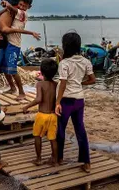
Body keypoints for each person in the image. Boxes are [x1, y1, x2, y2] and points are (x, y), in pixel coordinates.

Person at [55, 30, 96, 173]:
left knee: (60, 129)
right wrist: (80, 84)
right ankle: (86, 162)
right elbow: (92, 80)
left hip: (66, 100)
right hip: (79, 100)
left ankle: (59, 158)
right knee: (80, 130)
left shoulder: (64, 63)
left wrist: (57, 102)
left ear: (65, 46)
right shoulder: (86, 61)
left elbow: (63, 83)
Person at [0, 0, 40, 100]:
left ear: (29, 7)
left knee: (12, 70)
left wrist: (7, 4)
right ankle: (12, 88)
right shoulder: (14, 11)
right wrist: (5, 8)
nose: (21, 7)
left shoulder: (23, 14)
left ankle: (21, 92)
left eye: (24, 6)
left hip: (14, 45)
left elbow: (12, 9)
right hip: (6, 43)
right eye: (20, 4)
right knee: (4, 68)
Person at [23, 59, 58, 166]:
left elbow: (39, 99)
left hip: (42, 115)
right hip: (53, 116)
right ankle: (55, 160)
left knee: (37, 136)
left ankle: (39, 159)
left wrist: (27, 106)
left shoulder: (40, 84)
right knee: (52, 139)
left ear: (41, 72)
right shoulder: (56, 84)